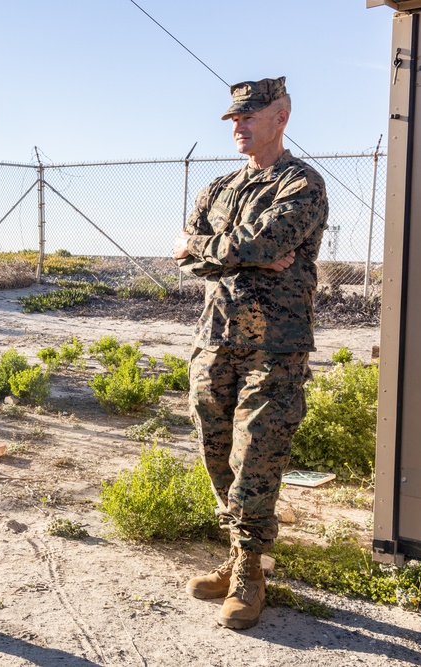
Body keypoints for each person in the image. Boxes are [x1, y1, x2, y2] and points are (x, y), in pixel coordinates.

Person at [172, 76, 329, 630]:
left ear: (280, 117)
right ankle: (237, 552)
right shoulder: (217, 188)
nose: (237, 126)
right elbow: (185, 254)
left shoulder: (301, 184)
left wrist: (221, 250)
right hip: (215, 339)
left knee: (257, 456)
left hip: (275, 346)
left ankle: (252, 572)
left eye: (248, 116)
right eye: (233, 119)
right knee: (215, 448)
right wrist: (237, 254)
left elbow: (266, 242)